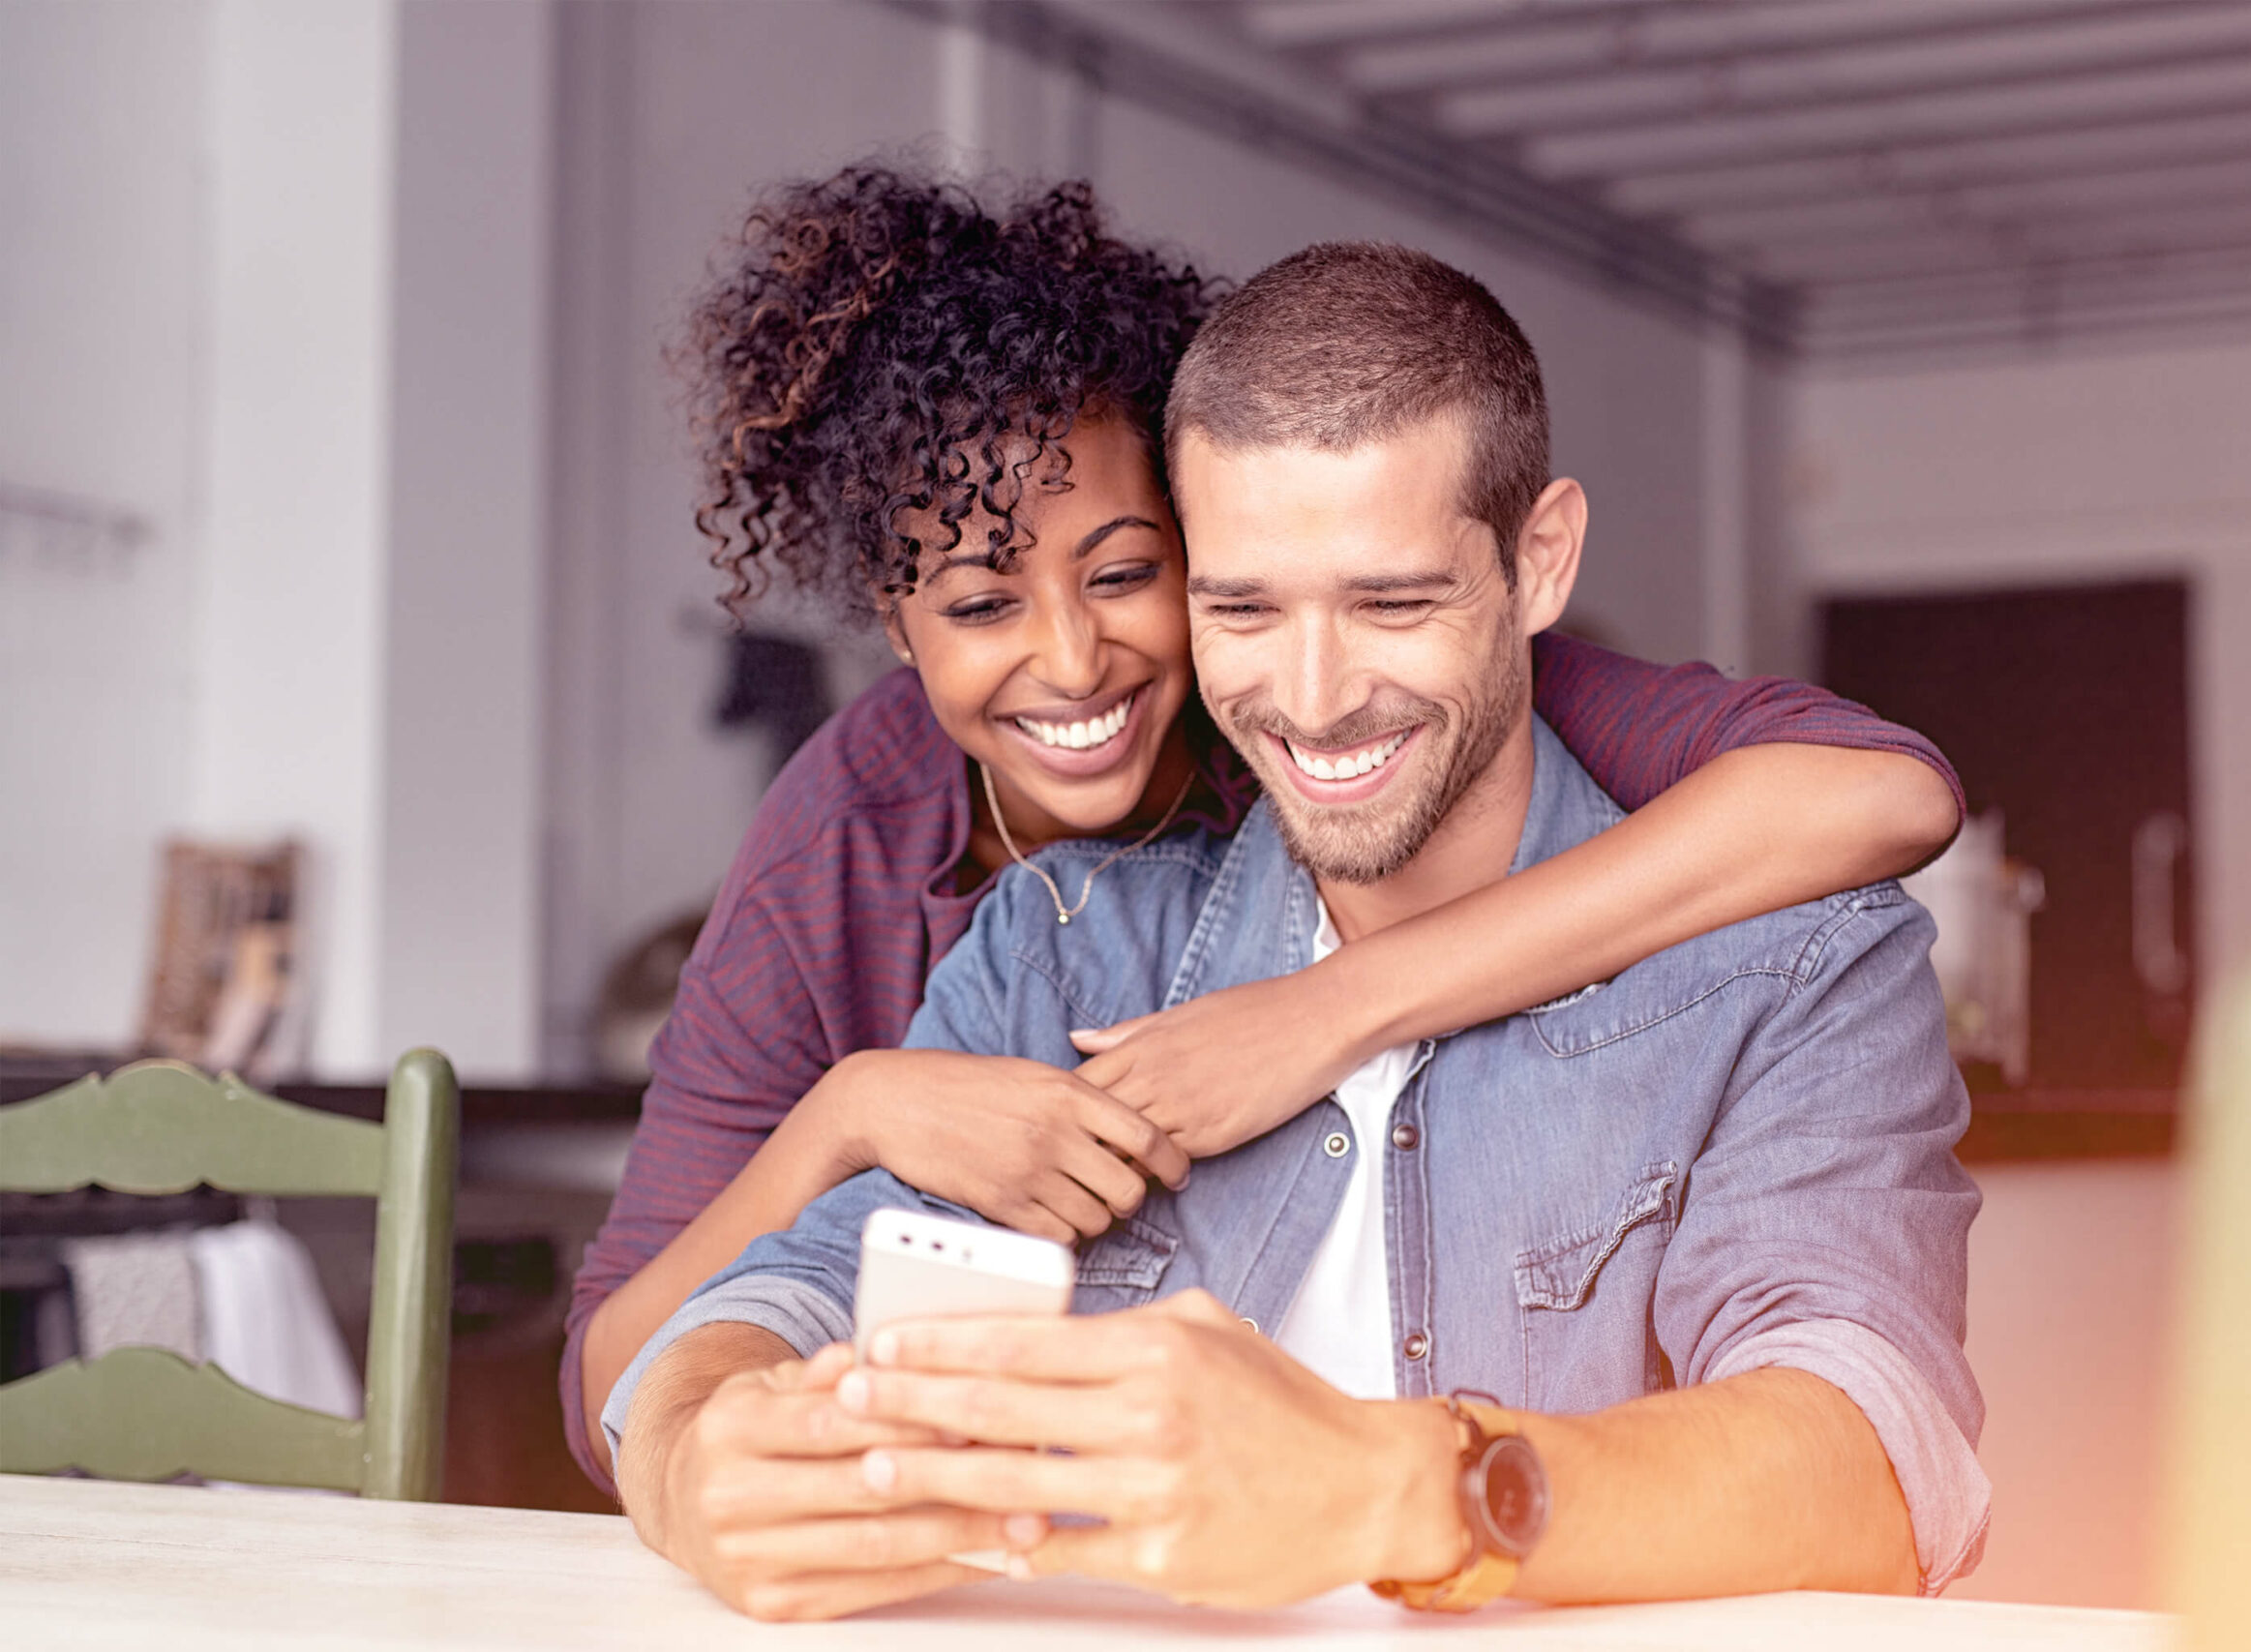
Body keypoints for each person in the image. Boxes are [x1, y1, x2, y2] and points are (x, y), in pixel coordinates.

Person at [600, 243, 1987, 1622]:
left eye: (1393, 601)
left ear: (1540, 560)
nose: (1315, 699)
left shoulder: (1798, 964)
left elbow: (1870, 1465)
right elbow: (762, 1307)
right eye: (1245, 607)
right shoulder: (1060, 945)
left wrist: (1390, 1488)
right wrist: (696, 1460)